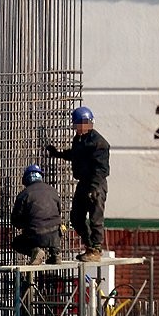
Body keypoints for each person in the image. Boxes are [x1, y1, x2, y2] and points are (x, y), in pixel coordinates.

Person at [47, 106, 110, 262]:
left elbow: (102, 169)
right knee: (76, 217)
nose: (80, 127)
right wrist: (58, 154)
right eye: (77, 124)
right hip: (83, 183)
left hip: (96, 184)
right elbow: (76, 155)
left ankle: (95, 249)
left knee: (95, 219)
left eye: (84, 123)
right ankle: (89, 246)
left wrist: (94, 188)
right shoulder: (79, 140)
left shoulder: (99, 143)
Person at [10, 164, 62, 265]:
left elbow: (16, 220)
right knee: (54, 229)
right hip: (55, 235)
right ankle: (55, 254)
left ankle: (35, 251)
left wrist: (26, 223)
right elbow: (59, 211)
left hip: (35, 235)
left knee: (16, 243)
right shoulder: (53, 191)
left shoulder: (24, 195)